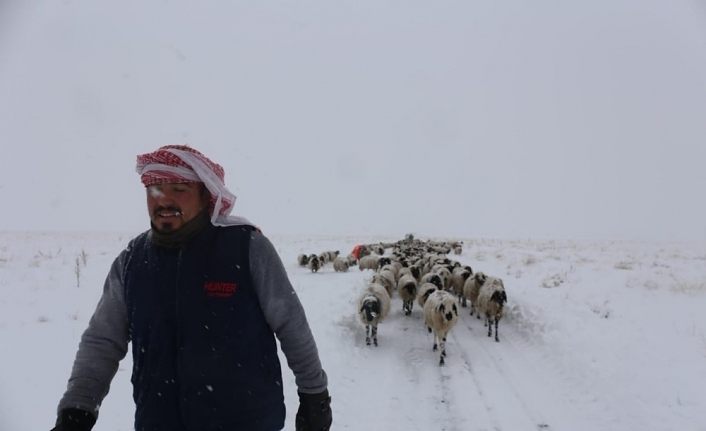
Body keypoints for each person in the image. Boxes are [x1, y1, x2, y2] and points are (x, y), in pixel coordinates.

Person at [52, 145, 332, 431]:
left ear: (205, 196)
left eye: (179, 189)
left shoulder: (246, 248)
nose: (164, 200)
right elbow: (103, 341)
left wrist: (314, 395)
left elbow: (291, 324)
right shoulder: (132, 261)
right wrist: (78, 408)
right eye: (155, 189)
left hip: (246, 422)